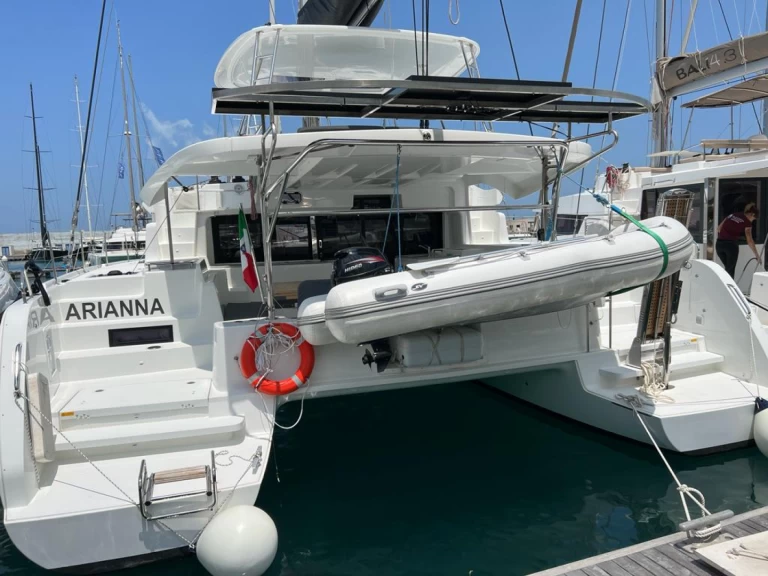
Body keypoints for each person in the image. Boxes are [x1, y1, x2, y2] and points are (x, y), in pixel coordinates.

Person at [716, 203, 760, 278]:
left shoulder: (732, 215)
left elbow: (719, 229)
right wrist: (757, 255)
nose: (753, 220)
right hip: (731, 247)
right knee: (730, 271)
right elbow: (749, 240)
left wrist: (729, 233)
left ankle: (724, 286)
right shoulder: (747, 223)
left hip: (719, 245)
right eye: (754, 218)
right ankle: (729, 288)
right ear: (752, 214)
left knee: (728, 269)